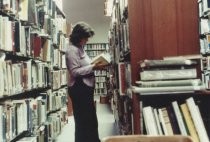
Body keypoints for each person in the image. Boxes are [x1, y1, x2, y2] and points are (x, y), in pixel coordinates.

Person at [65, 22, 106, 142]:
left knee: (91, 120)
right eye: (86, 37)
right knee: (84, 121)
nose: (87, 40)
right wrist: (93, 67)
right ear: (79, 36)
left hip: (85, 89)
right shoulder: (72, 50)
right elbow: (74, 72)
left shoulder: (80, 48)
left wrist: (95, 65)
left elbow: (84, 65)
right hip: (79, 90)